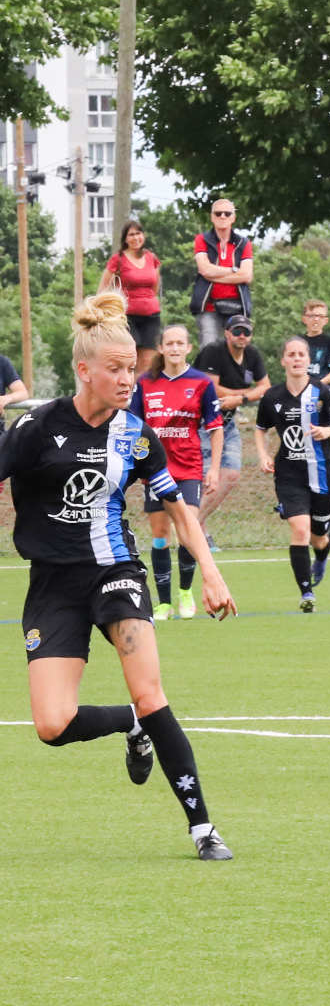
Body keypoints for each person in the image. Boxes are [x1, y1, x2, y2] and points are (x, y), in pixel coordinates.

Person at [0, 293, 237, 859]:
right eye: (116, 369)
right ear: (84, 370)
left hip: (114, 573)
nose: (129, 378)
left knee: (150, 689)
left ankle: (203, 828)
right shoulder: (37, 426)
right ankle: (133, 724)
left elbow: (179, 510)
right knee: (52, 724)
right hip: (53, 584)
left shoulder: (135, 434)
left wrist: (210, 572)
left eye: (133, 367)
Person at [131, 325, 223, 620]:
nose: (174, 348)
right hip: (155, 470)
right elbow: (132, 426)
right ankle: (164, 603)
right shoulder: (145, 383)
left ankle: (186, 593)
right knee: (160, 536)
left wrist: (215, 469)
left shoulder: (201, 383)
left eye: (179, 343)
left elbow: (216, 428)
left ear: (188, 348)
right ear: (160, 348)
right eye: (168, 343)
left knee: (188, 530)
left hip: (188, 469)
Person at [253, 337, 330, 611]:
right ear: (283, 360)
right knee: (300, 529)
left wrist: (328, 431)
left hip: (321, 475)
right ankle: (306, 594)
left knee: (319, 537)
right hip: (289, 474)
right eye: (291, 355)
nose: (297, 359)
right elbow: (260, 428)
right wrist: (262, 454)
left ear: (309, 361)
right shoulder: (272, 396)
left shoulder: (323, 392)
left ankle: (320, 558)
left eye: (301, 355)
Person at [195, 316, 271, 549]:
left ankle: (193, 525)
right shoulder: (213, 351)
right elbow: (210, 386)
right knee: (207, 479)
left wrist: (240, 398)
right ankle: (199, 533)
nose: (242, 336)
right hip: (201, 421)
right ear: (227, 333)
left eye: (246, 332)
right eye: (237, 331)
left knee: (231, 474)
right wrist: (247, 392)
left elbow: (265, 387)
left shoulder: (253, 354)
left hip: (226, 422)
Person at [99, 219, 161, 373]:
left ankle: (141, 394)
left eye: (138, 233)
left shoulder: (151, 258)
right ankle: (127, 394)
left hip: (151, 315)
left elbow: (155, 287)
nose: (135, 238)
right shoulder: (118, 259)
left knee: (148, 361)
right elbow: (103, 289)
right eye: (131, 234)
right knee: (130, 359)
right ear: (125, 239)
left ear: (143, 236)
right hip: (127, 316)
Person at [190, 199, 253, 350]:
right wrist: (234, 269)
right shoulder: (202, 239)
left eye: (227, 213)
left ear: (233, 217)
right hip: (209, 306)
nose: (223, 217)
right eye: (218, 213)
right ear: (212, 217)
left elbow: (246, 276)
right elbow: (204, 270)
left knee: (236, 349)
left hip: (237, 307)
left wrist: (214, 273)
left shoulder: (243, 243)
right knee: (209, 348)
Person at [299, 300, 330, 385]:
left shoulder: (329, 341)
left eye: (321, 316)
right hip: (301, 386)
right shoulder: (298, 342)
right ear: (304, 319)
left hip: (322, 387)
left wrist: (319, 384)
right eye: (311, 316)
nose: (316, 319)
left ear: (326, 321)